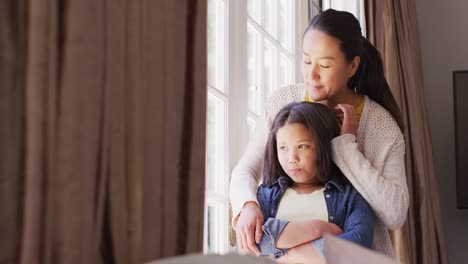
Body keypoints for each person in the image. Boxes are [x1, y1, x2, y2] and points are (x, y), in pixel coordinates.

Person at [230, 9, 409, 258]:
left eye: (324, 65)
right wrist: (246, 206)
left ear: (352, 66)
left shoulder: (381, 127)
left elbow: (395, 213)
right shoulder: (283, 102)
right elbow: (245, 170)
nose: (311, 75)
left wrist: (346, 148)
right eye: (306, 61)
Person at [255, 102, 374, 264]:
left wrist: (292, 254)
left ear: (323, 145)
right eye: (283, 148)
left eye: (302, 146)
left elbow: (360, 242)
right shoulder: (265, 196)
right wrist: (318, 229)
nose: (292, 159)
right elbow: (257, 242)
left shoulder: (349, 196)